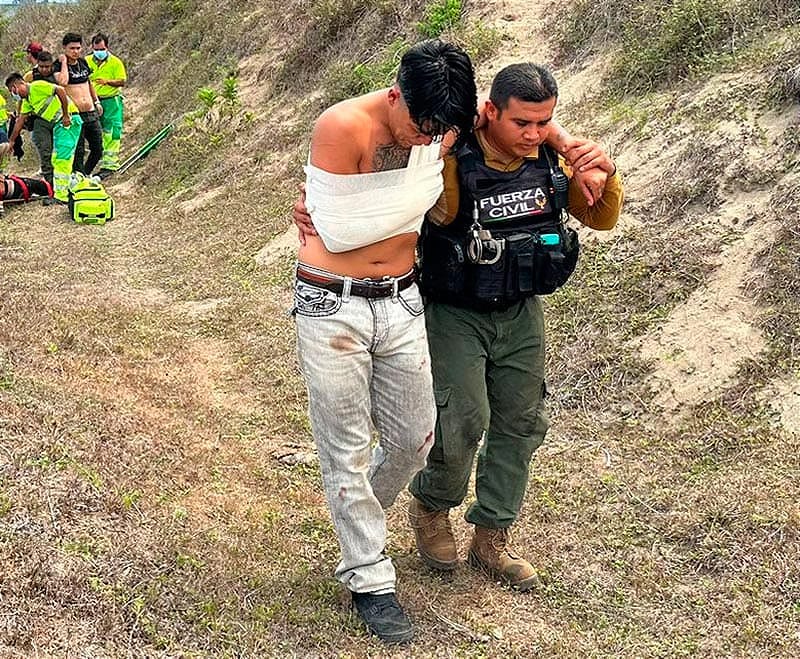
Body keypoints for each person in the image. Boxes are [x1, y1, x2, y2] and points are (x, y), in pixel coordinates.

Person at [406, 62, 623, 590]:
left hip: (521, 312)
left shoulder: (551, 160)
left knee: (522, 422)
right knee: (462, 418)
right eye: (522, 122)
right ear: (490, 112)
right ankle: (432, 505)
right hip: (455, 312)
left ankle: (492, 535)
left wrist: (603, 171)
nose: (533, 134)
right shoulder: (452, 160)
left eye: (544, 123)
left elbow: (602, 218)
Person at [293, 39, 477, 644]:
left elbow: (512, 117)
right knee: (345, 448)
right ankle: (370, 577)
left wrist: (564, 141)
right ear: (395, 95)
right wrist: (323, 208)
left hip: (401, 299)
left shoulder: (444, 122)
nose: (428, 139)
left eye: (439, 132)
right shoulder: (343, 125)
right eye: (420, 126)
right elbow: (338, 230)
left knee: (415, 438)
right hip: (332, 301)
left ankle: (354, 522)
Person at [5, 73, 83, 204]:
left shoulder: (37, 86)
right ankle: (67, 189)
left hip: (68, 122)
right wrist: (12, 141)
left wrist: (65, 115)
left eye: (12, 91)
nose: (14, 94)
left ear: (16, 86)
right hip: (60, 125)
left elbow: (60, 90)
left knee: (62, 159)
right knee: (58, 158)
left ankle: (62, 197)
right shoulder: (28, 101)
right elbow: (20, 121)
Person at [54, 32, 103, 176]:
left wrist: (96, 101)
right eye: (72, 48)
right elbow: (62, 82)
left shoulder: (83, 63)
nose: (75, 51)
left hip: (91, 112)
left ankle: (85, 174)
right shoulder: (58, 66)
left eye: (78, 48)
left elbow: (89, 83)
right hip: (75, 115)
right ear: (64, 48)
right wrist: (64, 62)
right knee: (78, 150)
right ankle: (78, 177)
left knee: (98, 148)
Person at [87, 33, 126, 177]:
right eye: (96, 49)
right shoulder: (86, 62)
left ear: (107, 48)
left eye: (102, 49)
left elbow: (122, 81)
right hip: (91, 101)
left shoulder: (115, 62)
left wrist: (107, 82)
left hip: (111, 100)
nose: (99, 52)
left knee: (112, 132)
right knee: (93, 133)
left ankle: (110, 165)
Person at [24, 51, 57, 189]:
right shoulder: (30, 76)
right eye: (41, 66)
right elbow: (23, 95)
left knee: (60, 152)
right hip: (39, 120)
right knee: (45, 151)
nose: (44, 69)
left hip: (57, 118)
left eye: (47, 66)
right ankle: (50, 184)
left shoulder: (57, 74)